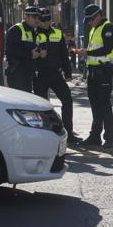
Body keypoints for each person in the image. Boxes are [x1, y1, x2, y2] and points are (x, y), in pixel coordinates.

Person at [33, 8, 83, 144]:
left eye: (48, 19)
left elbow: (63, 54)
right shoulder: (34, 33)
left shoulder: (57, 33)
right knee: (40, 106)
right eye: (43, 20)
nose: (46, 22)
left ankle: (69, 134)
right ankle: (43, 135)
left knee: (67, 100)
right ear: (39, 20)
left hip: (55, 73)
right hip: (40, 74)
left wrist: (68, 73)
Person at [76, 4, 113, 149]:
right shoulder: (95, 28)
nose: (89, 22)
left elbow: (107, 48)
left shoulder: (108, 28)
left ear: (99, 15)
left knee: (104, 104)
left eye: (91, 19)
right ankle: (95, 136)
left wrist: (87, 53)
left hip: (103, 71)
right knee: (95, 105)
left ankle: (109, 138)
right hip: (93, 71)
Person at [6, 6, 44, 92]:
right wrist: (30, 54)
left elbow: (32, 47)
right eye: (34, 17)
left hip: (28, 73)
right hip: (17, 73)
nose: (37, 20)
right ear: (26, 17)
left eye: (38, 17)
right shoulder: (16, 30)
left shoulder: (33, 32)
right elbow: (11, 50)